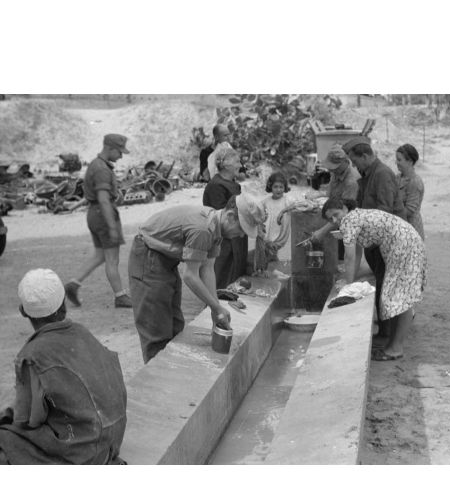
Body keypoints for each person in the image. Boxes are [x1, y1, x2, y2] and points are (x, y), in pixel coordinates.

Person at [0, 269, 127, 465]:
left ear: (23, 311)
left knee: (6, 438)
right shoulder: (82, 333)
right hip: (113, 438)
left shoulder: (32, 355)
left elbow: (29, 420)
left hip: (84, 450)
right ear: (63, 306)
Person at [128, 193, 266, 363]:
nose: (241, 235)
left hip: (166, 260)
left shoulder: (217, 229)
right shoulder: (203, 229)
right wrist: (216, 308)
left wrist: (216, 311)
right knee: (157, 328)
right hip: (148, 256)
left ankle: (173, 373)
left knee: (175, 323)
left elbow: (207, 269)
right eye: (241, 229)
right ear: (230, 216)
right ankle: (158, 380)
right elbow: (190, 275)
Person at [321, 198, 427, 361]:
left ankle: (395, 348)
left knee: (400, 298)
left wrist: (347, 286)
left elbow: (349, 257)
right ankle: (392, 344)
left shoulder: (349, 220)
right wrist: (350, 280)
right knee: (396, 297)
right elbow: (356, 254)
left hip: (404, 246)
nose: (335, 221)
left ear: (344, 209)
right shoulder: (356, 216)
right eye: (330, 219)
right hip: (406, 242)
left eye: (336, 214)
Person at [342, 136, 406, 341]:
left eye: (355, 161)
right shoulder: (367, 175)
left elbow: (384, 212)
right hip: (375, 241)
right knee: (381, 281)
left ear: (366, 156)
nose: (354, 166)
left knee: (387, 284)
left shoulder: (383, 174)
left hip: (387, 241)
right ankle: (385, 332)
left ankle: (389, 335)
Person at [64, 134, 132, 309]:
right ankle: (120, 296)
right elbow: (103, 199)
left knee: (100, 255)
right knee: (112, 258)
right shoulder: (102, 169)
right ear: (109, 148)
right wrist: (112, 227)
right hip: (103, 214)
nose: (121, 156)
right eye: (119, 152)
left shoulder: (96, 164)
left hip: (94, 213)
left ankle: (73, 283)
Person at [203, 148, 248, 289]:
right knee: (221, 279)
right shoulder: (216, 185)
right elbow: (222, 219)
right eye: (237, 161)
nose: (240, 165)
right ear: (226, 164)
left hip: (236, 241)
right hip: (225, 245)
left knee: (234, 280)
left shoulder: (233, 184)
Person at [308, 145, 361, 263]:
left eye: (334, 167)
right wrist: (319, 195)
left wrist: (322, 231)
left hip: (348, 223)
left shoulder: (351, 182)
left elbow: (343, 215)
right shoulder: (336, 172)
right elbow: (330, 193)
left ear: (344, 163)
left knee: (344, 256)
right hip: (335, 218)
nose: (331, 170)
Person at [254, 171, 298, 276]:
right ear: (270, 187)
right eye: (275, 187)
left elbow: (298, 205)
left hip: (281, 237)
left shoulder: (287, 201)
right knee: (265, 255)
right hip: (268, 235)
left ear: (285, 187)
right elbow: (257, 214)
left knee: (280, 260)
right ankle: (262, 271)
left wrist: (283, 211)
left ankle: (275, 273)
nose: (278, 190)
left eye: (281, 187)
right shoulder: (265, 201)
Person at [396, 143, 425, 240]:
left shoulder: (415, 182)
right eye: (396, 159)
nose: (396, 162)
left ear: (410, 162)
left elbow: (409, 211)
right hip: (400, 228)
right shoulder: (397, 178)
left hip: (412, 230)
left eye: (399, 160)